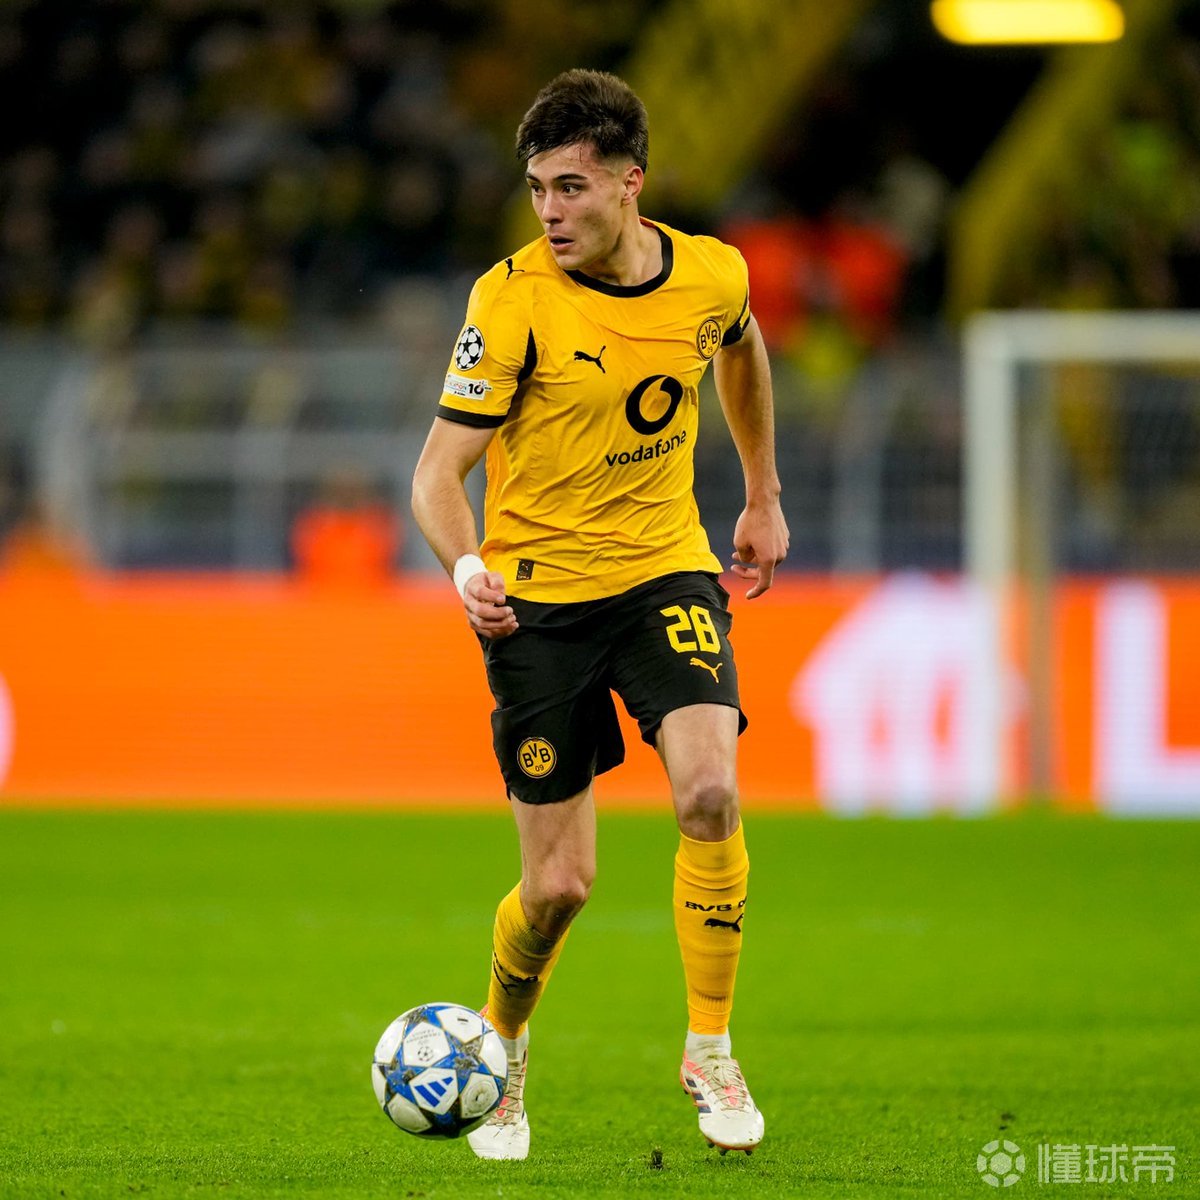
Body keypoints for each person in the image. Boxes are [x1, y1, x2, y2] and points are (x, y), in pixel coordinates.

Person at [411, 68, 789, 1160]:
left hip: (665, 573)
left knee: (711, 793)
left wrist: (761, 494)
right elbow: (436, 475)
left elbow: (741, 345)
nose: (550, 211)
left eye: (571, 187)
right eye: (537, 189)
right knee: (559, 887)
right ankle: (501, 1053)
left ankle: (709, 1047)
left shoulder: (712, 273)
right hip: (536, 608)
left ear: (632, 183)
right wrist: (465, 566)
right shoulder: (511, 300)